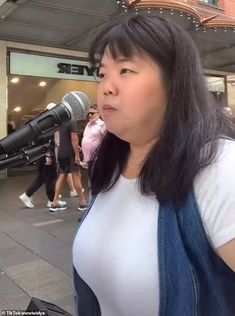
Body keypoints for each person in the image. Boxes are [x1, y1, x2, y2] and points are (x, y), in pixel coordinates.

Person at [72, 14, 235, 316]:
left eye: (126, 70)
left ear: (175, 83)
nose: (107, 86)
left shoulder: (220, 167)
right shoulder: (110, 168)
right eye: (102, 73)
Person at [19, 103, 66, 209]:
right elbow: (48, 141)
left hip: (40, 154)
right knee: (51, 178)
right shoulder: (49, 124)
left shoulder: (40, 122)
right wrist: (49, 155)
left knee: (42, 177)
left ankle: (29, 195)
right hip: (47, 154)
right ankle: (50, 200)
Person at [49, 120, 87, 212]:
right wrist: (77, 155)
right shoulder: (72, 122)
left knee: (62, 177)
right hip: (70, 154)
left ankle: (54, 203)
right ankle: (82, 203)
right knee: (76, 176)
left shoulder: (61, 122)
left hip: (61, 153)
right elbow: (74, 138)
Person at [81, 104, 106, 169]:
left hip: (97, 158)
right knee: (90, 177)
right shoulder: (88, 124)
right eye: (89, 113)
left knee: (96, 177)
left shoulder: (102, 125)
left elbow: (107, 141)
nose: (89, 115)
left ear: (99, 114)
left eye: (92, 113)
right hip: (87, 159)